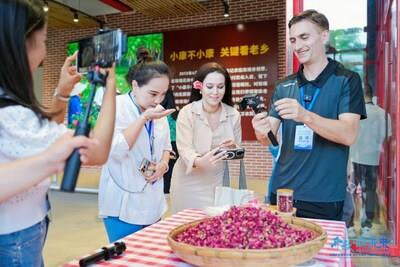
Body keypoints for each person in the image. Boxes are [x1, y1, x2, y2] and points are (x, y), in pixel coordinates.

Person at [0, 1, 116, 265]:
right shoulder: (12, 116)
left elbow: (41, 132)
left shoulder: (12, 107)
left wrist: (62, 93)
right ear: (22, 47)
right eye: (43, 40)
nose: (43, 51)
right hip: (15, 241)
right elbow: (96, 151)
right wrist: (109, 87)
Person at [251, 9, 366, 221]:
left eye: (305, 37)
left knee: (322, 253)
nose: (298, 46)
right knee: (280, 252)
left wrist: (306, 116)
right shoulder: (284, 85)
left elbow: (349, 134)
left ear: (324, 36)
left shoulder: (347, 80)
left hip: (325, 196)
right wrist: (261, 130)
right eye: (293, 40)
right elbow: (268, 138)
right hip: (283, 192)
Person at [98, 50, 175, 242]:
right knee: (126, 257)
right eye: (153, 93)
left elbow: (166, 146)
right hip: (121, 198)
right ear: (135, 85)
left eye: (163, 94)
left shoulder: (158, 111)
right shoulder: (115, 106)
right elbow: (115, 150)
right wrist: (143, 118)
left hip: (152, 198)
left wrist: (163, 165)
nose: (158, 100)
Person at [170, 62, 242, 213]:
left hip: (217, 181)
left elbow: (237, 149)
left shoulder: (233, 114)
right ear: (200, 87)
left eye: (220, 87)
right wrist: (199, 161)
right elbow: (184, 150)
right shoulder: (187, 112)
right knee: (187, 228)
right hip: (188, 181)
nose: (215, 92)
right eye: (210, 87)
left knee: (215, 226)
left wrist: (232, 148)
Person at [347, 83, 390, 237]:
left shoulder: (353, 113)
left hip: (354, 156)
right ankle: (367, 225)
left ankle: (350, 225)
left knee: (351, 189)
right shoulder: (382, 114)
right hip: (373, 157)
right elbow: (386, 137)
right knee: (369, 191)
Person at [160, 89, 179, 194]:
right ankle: (169, 192)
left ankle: (165, 192)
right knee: (172, 171)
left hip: (165, 145)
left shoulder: (159, 114)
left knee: (164, 171)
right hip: (176, 144)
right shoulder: (176, 113)